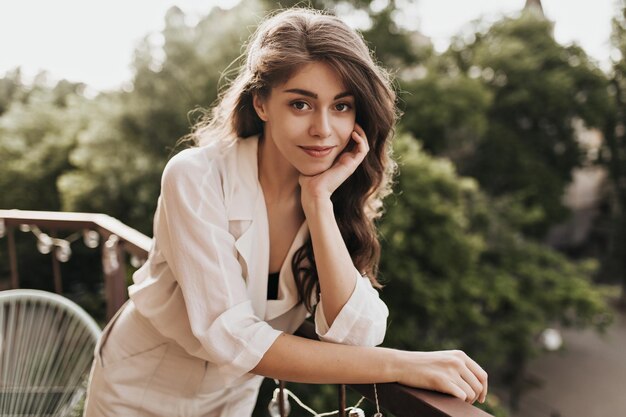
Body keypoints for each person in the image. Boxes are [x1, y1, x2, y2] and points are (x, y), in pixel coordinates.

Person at [83, 7, 488, 417]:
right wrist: (404, 364)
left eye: (342, 107)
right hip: (138, 389)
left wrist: (317, 203)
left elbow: (359, 334)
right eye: (301, 104)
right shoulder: (196, 176)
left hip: (232, 399)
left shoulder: (334, 195)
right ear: (261, 103)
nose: (324, 130)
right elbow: (231, 336)